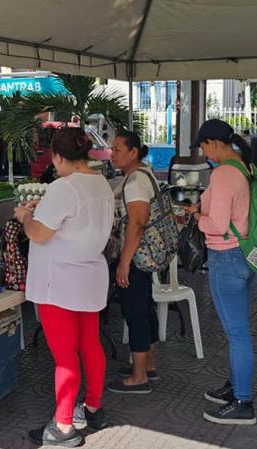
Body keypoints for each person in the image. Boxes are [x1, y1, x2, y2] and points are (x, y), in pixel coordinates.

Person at [15, 127, 114, 447]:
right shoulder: (101, 183)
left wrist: (24, 217)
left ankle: (64, 425)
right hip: (89, 277)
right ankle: (94, 408)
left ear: (58, 157)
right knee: (90, 345)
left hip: (58, 282)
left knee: (65, 355)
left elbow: (39, 234)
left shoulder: (64, 187)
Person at [185, 119, 257, 425]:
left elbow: (217, 224)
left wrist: (196, 217)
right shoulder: (244, 166)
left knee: (237, 333)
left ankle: (243, 401)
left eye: (203, 146)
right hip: (243, 254)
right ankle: (235, 386)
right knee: (238, 329)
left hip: (226, 256)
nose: (204, 152)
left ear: (214, 143)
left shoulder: (224, 173)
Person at [106, 130, 160, 395]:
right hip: (145, 254)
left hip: (136, 255)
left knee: (134, 311)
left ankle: (139, 377)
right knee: (146, 307)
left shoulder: (136, 181)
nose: (112, 154)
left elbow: (137, 222)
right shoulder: (143, 174)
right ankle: (148, 364)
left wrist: (124, 262)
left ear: (133, 152)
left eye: (117, 149)